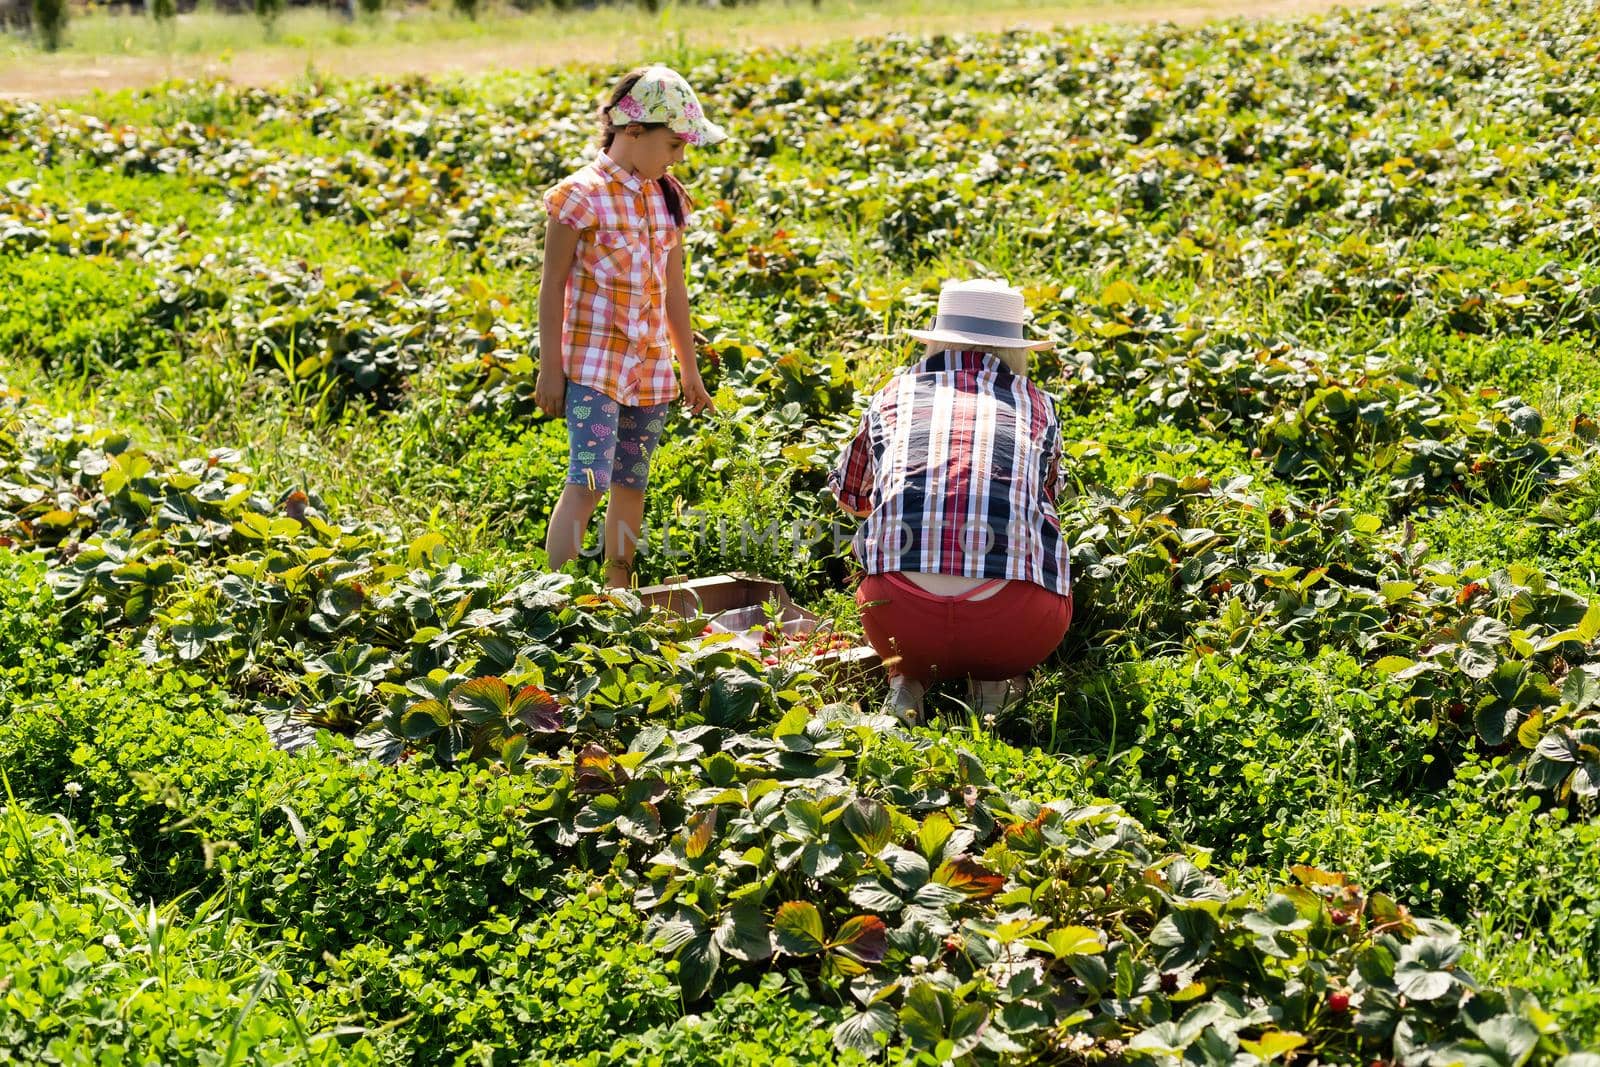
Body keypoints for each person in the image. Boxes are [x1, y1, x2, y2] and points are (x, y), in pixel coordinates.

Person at [828, 279, 1073, 719]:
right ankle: (997, 680)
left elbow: (851, 498)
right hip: (1014, 621)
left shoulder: (893, 395)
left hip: (898, 618)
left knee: (888, 565)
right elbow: (1048, 503)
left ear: (937, 339)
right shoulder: (1040, 406)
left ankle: (907, 678)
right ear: (1016, 348)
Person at [537, 66, 725, 588]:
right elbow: (551, 288)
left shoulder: (667, 195)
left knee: (631, 483)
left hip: (649, 371)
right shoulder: (580, 196)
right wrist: (549, 371)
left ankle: (618, 594)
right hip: (595, 367)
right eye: (673, 144)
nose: (679, 157)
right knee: (590, 480)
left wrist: (689, 371)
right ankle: (553, 598)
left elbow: (674, 291)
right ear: (633, 130)